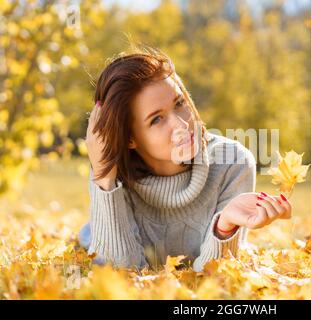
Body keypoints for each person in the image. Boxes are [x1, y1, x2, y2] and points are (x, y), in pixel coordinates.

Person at [78, 47, 292, 272]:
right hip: (96, 230)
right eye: (157, 119)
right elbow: (121, 273)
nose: (181, 125)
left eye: (179, 103)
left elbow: (217, 276)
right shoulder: (112, 175)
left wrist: (225, 227)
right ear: (130, 138)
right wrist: (104, 180)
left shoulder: (233, 164)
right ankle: (90, 232)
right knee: (90, 236)